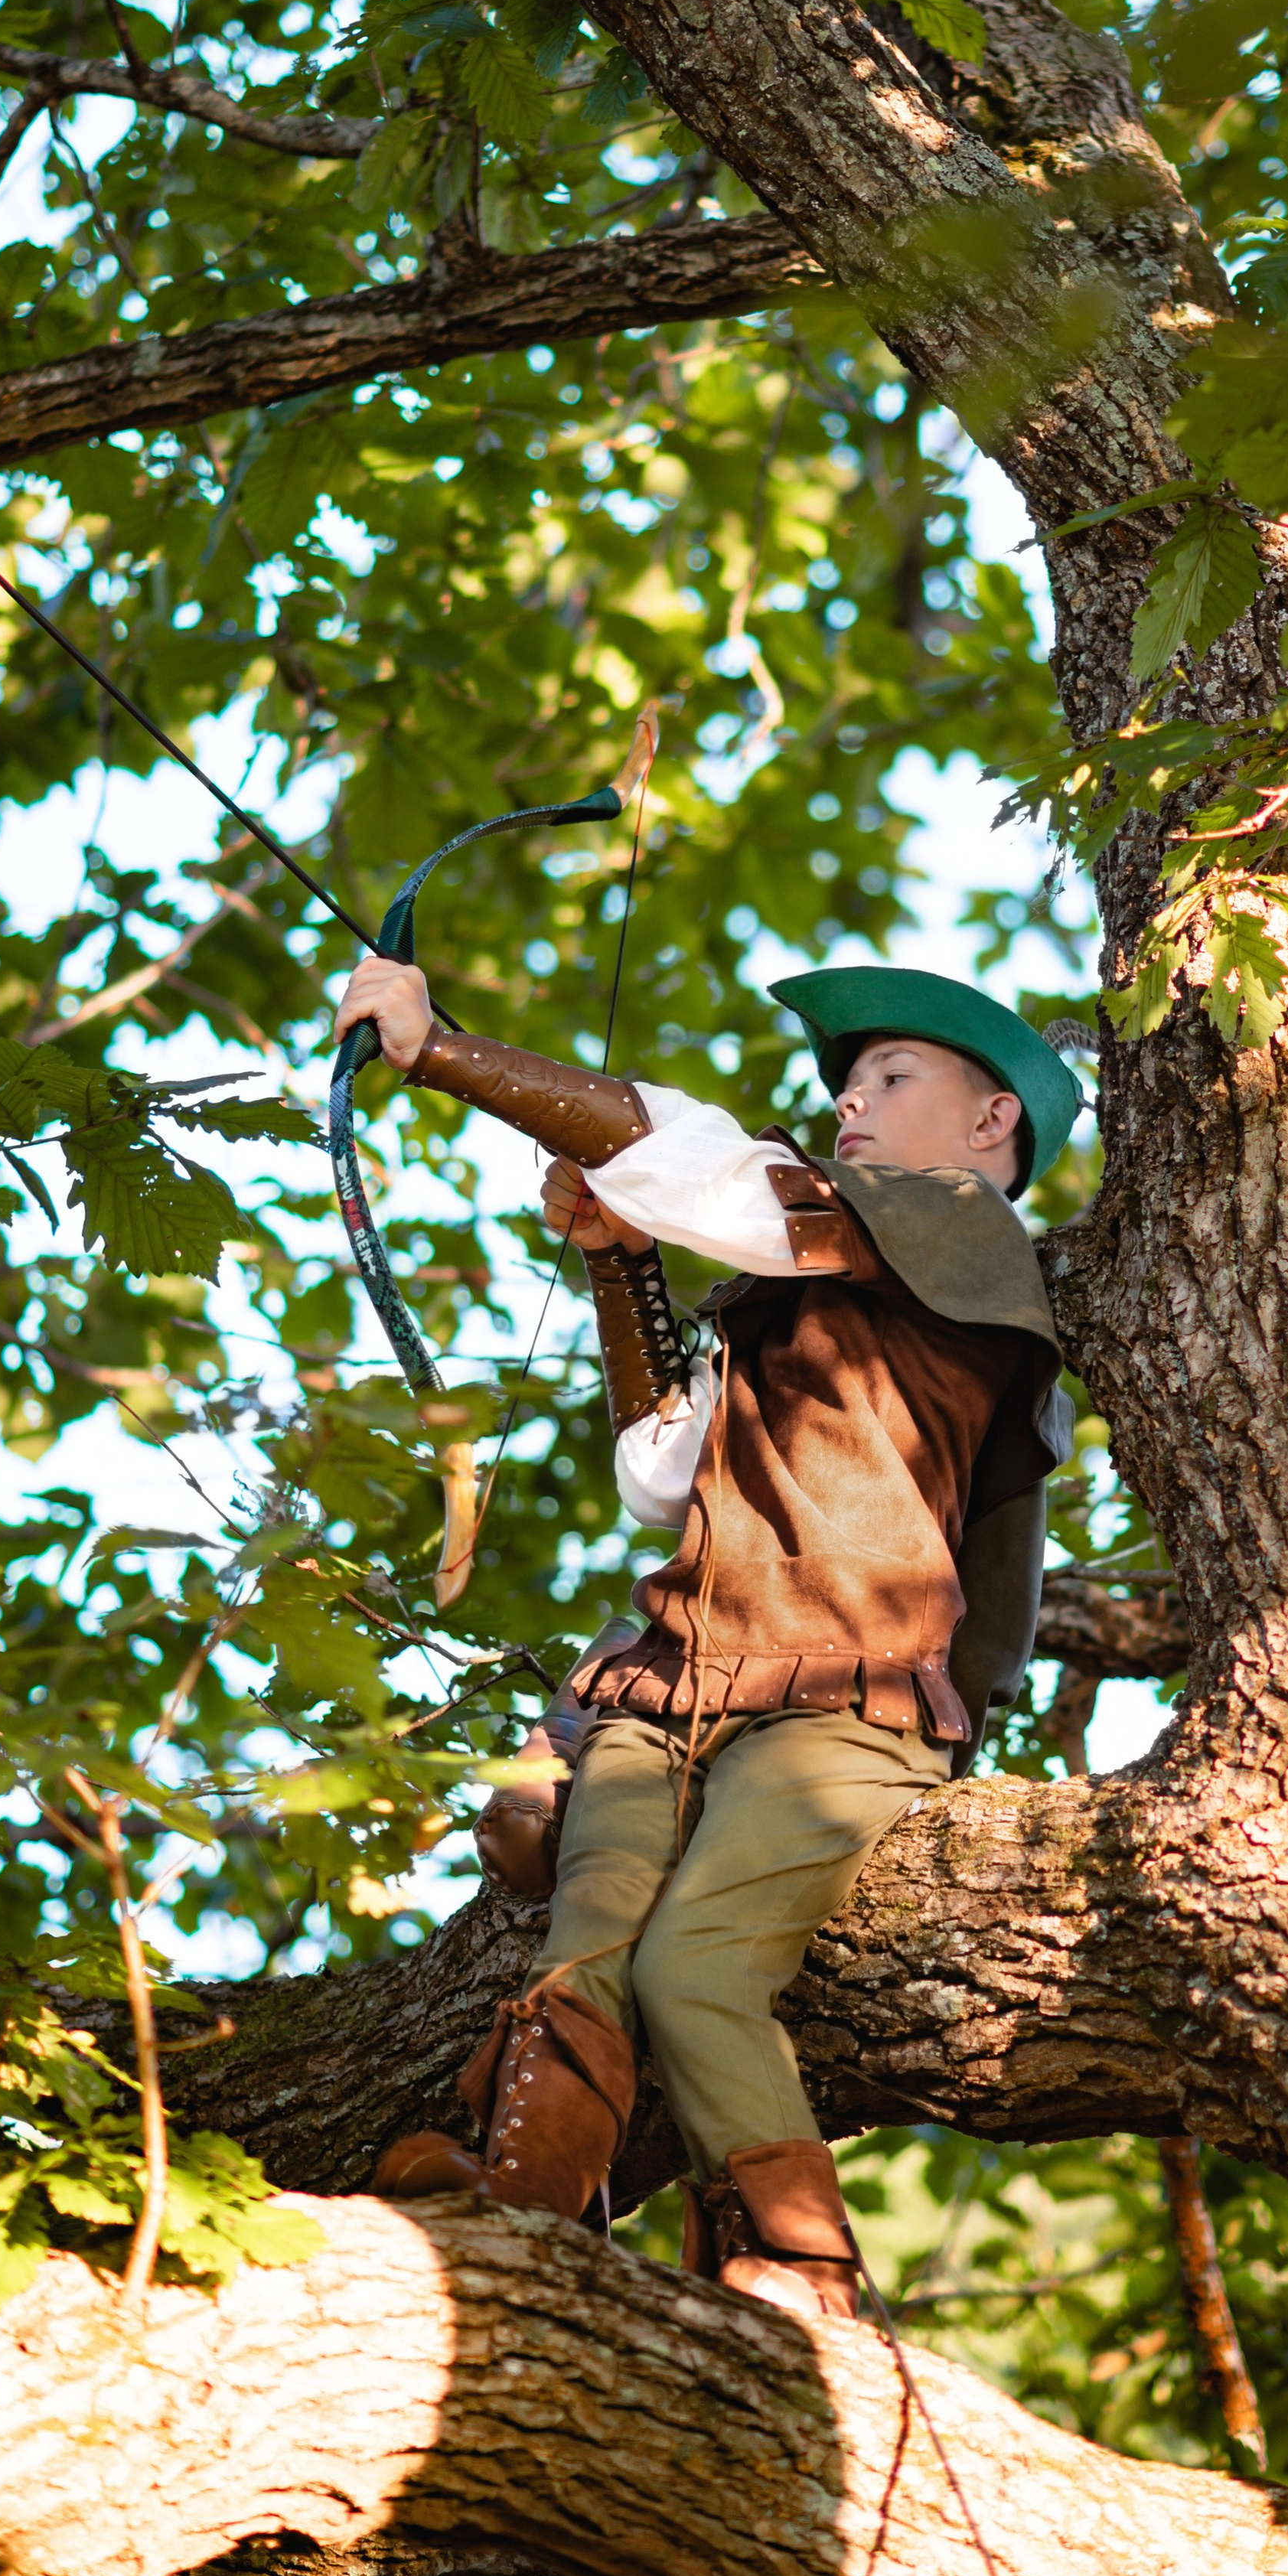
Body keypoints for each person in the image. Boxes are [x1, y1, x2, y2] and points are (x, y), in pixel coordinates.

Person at [340, 948, 1080, 2320]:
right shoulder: (803, 1282)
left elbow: (706, 1164)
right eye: (847, 1085)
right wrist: (624, 1265)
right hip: (674, 1676)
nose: (852, 1103)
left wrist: (441, 1048)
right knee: (591, 1938)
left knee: (695, 1968)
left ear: (993, 1124)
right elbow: (662, 1470)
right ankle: (516, 2210)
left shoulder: (968, 1234)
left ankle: (798, 2270)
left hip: (844, 1693)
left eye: (890, 1076)